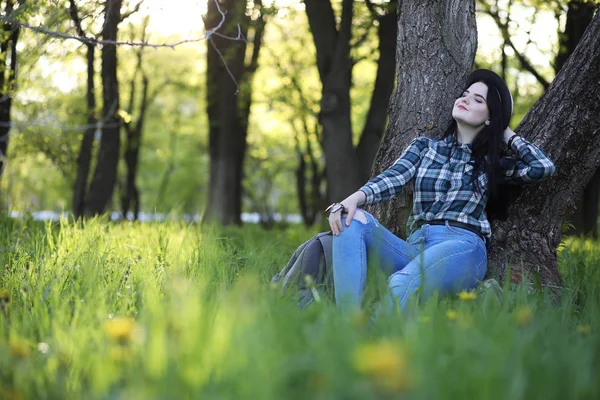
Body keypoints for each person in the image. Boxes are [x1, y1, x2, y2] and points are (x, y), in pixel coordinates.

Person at [326, 69, 556, 313]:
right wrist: (353, 199)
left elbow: (542, 167)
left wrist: (505, 132)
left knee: (400, 284)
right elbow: (394, 178)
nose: (466, 99)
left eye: (478, 100)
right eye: (465, 94)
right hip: (416, 248)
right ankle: (348, 325)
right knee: (350, 219)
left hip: (462, 247)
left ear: (490, 117)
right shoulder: (425, 147)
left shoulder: (493, 164)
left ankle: (366, 340)